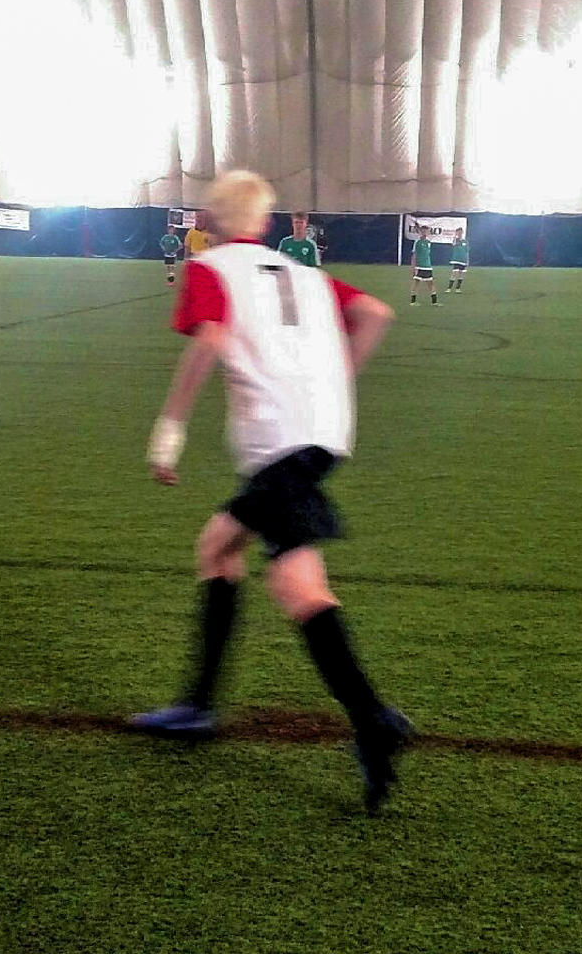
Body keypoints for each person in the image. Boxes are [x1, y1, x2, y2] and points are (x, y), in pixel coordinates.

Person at [128, 169, 412, 812]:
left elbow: (210, 339)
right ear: (265, 221)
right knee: (221, 548)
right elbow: (375, 313)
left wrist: (168, 429)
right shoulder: (304, 273)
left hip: (281, 445)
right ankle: (199, 705)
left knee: (297, 588)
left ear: (213, 216)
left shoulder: (211, 267)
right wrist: (334, 380)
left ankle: (372, 721)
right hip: (319, 437)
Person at [409, 229, 438, 305]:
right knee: (416, 283)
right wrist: (414, 267)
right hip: (419, 266)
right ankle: (413, 301)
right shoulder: (417, 242)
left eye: (426, 232)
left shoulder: (428, 242)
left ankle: (434, 302)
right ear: (420, 233)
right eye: (423, 232)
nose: (424, 233)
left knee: (431, 283)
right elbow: (414, 255)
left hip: (427, 266)